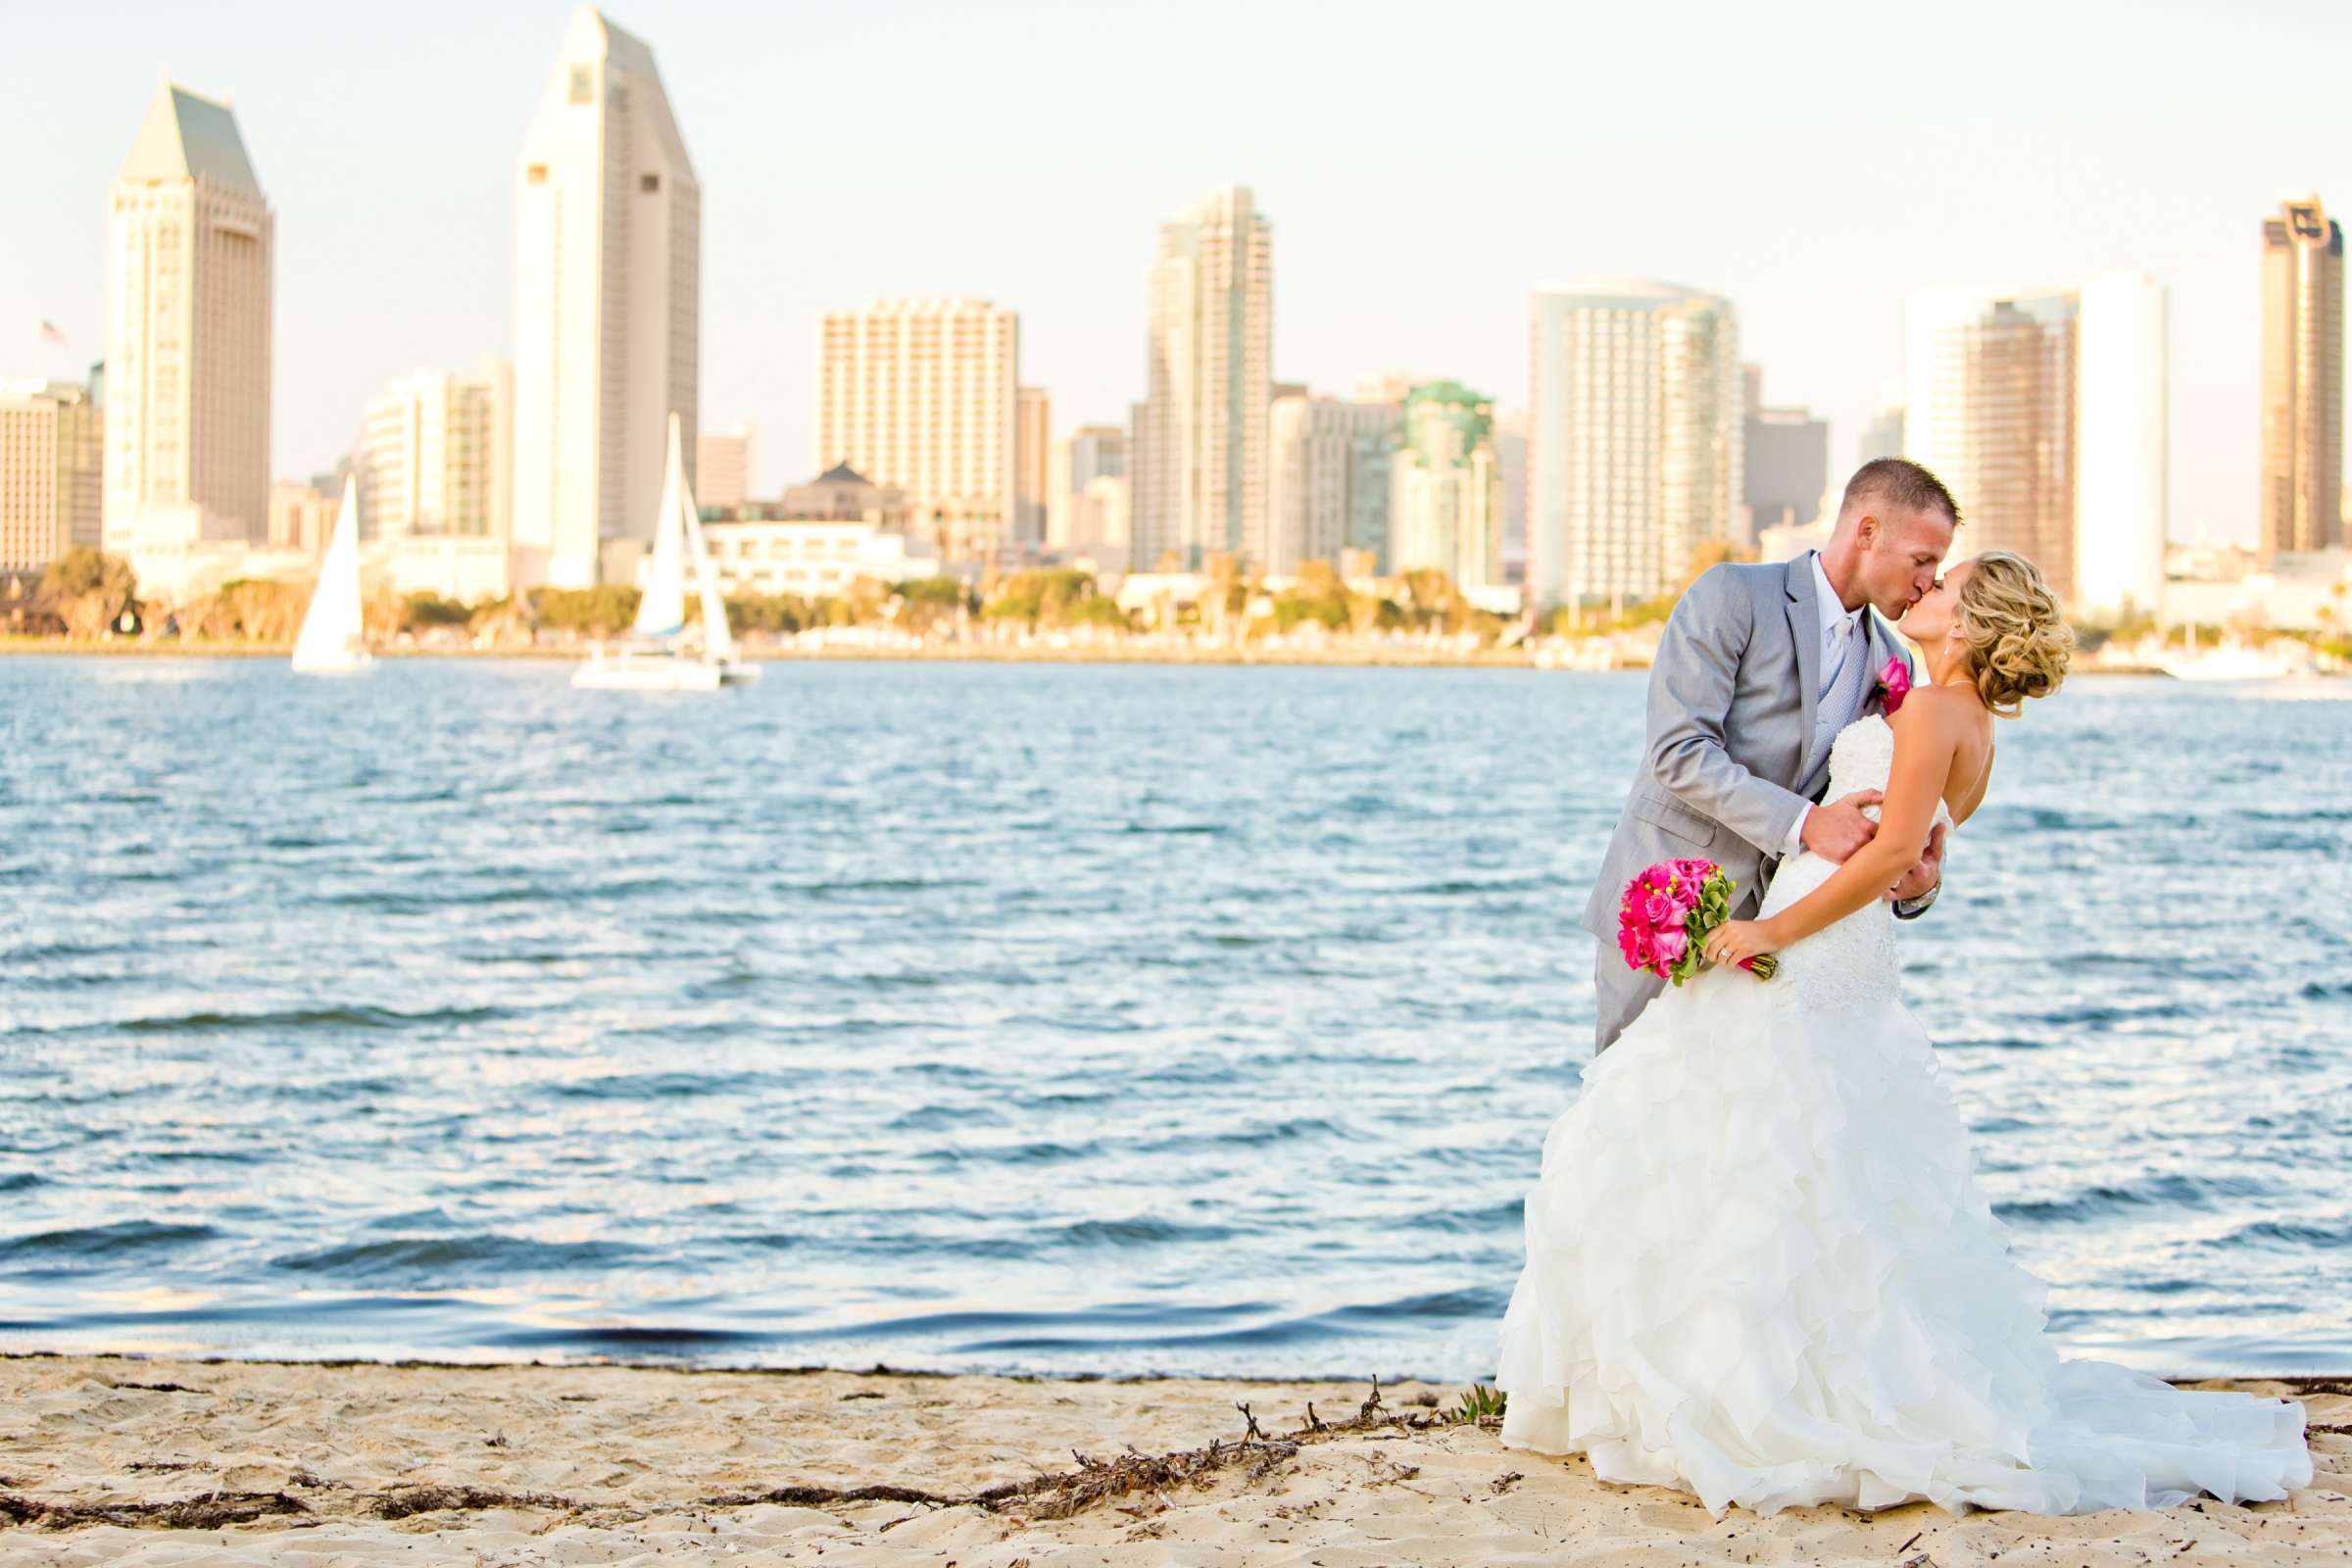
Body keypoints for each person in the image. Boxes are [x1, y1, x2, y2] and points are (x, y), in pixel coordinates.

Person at [1494, 547, 2314, 1516]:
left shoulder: (1926, 711)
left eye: (1946, 583)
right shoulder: (1972, 729)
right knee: (1788, 1152)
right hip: (1852, 953)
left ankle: (1738, 1389)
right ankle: (1733, 1373)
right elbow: (1919, 861)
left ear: (1968, 625)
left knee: (1736, 1139)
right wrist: (1906, 878)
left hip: (1816, 940)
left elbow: (1890, 849)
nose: (1926, 590)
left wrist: (1766, 927)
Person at [1580, 459, 1958, 1055]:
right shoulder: (1733, 594)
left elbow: (1885, 818)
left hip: (1775, 942)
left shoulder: (1895, 663)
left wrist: (1915, 884)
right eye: (1922, 560)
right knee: (1625, 1113)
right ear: (1866, 532)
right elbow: (1678, 752)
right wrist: (1807, 823)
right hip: (1666, 908)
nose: (1928, 582)